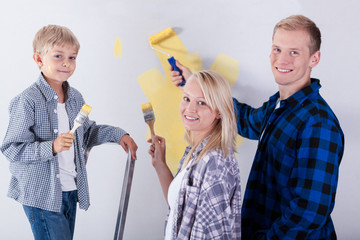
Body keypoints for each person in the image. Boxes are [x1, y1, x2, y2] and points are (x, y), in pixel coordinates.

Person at [170, 15, 344, 239]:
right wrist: (197, 85)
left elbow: (308, 214)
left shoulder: (318, 124)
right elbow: (245, 120)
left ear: (314, 58)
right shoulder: (278, 106)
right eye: (277, 49)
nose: (282, 59)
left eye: (294, 52)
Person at [1, 25, 138, 240]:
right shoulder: (27, 101)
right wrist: (52, 147)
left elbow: (87, 133)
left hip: (69, 189)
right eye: (58, 56)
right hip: (41, 195)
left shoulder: (75, 98)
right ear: (38, 59)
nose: (66, 63)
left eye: (72, 57)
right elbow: (12, 149)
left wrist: (119, 134)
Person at [148, 70, 242, 239]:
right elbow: (179, 208)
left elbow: (216, 235)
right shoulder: (196, 152)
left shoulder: (214, 164)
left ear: (219, 111)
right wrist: (160, 164)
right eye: (187, 99)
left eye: (202, 103)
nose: (190, 108)